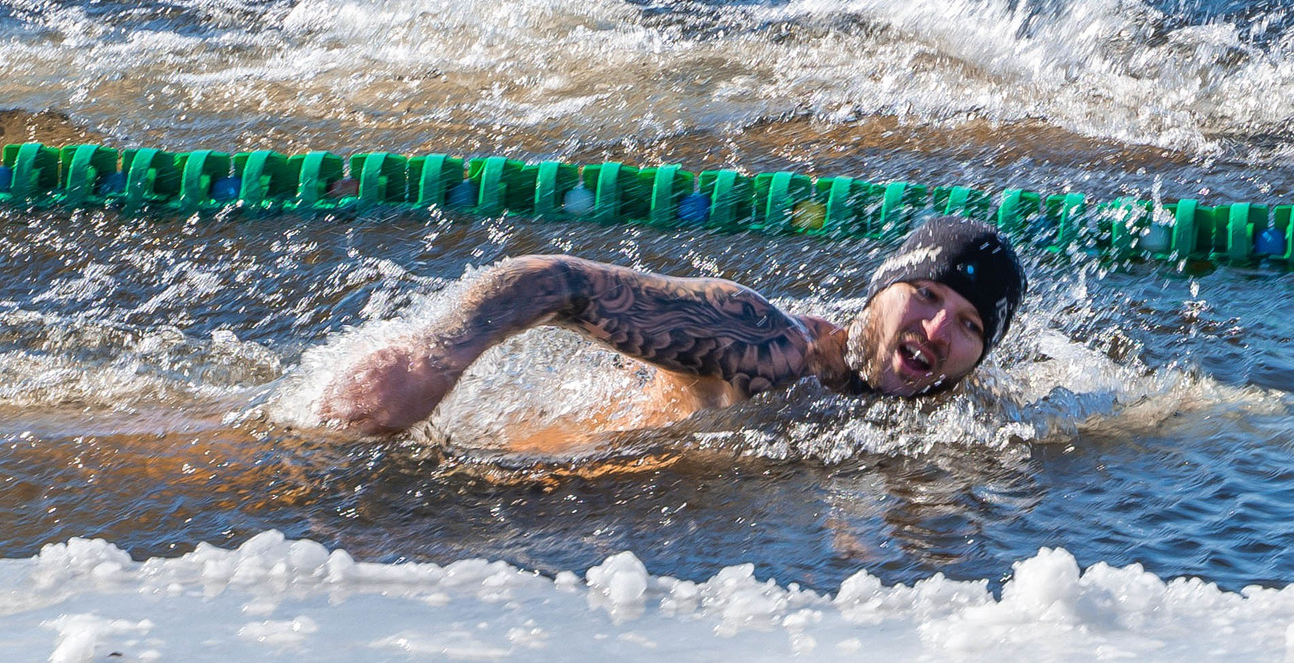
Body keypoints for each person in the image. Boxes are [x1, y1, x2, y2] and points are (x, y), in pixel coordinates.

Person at [318, 216, 1024, 437]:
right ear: (879, 293)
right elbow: (554, 281)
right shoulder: (768, 346)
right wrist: (433, 357)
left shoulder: (951, 409)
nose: (936, 329)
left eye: (967, 325)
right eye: (926, 295)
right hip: (530, 460)